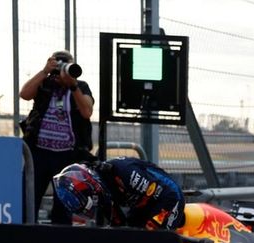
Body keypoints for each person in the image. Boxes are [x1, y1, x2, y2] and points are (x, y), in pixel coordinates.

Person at [19, 49, 94, 219]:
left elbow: (87, 111)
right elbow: (24, 94)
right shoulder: (44, 83)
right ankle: (27, 237)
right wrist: (45, 71)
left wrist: (72, 85)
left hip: (68, 156)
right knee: (28, 201)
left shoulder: (80, 87)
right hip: (39, 153)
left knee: (64, 207)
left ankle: (59, 241)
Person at [51, 157, 185, 230]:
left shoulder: (124, 172)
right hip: (144, 204)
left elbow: (154, 190)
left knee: (150, 240)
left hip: (169, 197)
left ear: (90, 186)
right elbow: (118, 224)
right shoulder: (103, 193)